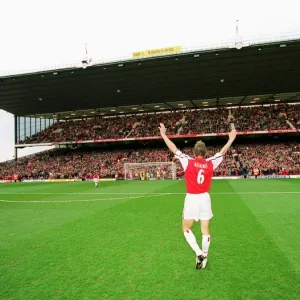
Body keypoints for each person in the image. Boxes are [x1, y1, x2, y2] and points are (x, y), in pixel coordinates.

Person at [159, 123, 237, 270]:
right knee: (205, 231)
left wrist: (163, 134)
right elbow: (223, 151)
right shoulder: (210, 162)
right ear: (205, 152)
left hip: (191, 198)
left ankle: (198, 252)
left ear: (194, 152)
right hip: (205, 198)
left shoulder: (188, 160)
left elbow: (173, 148)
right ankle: (204, 256)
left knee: (186, 228)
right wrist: (231, 139)